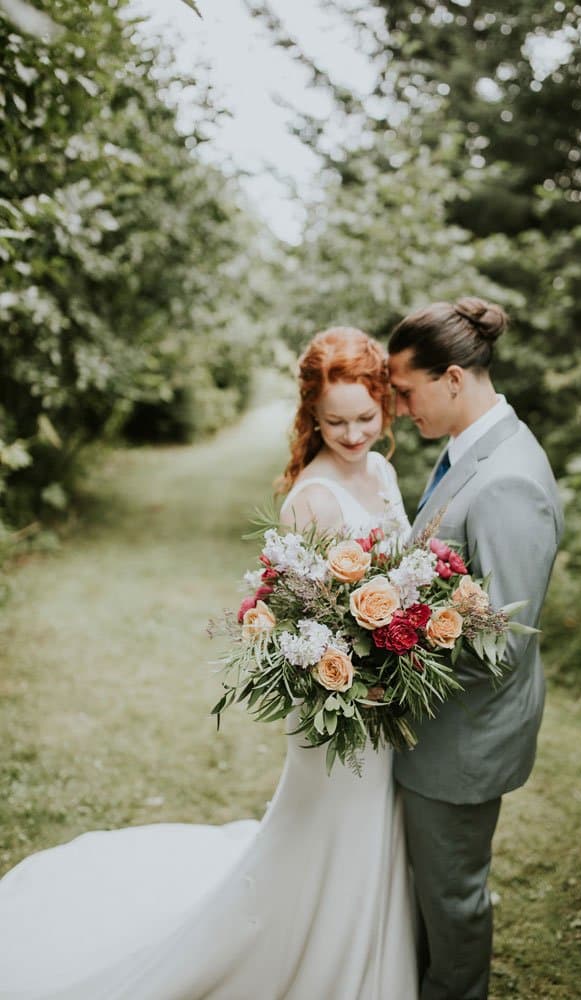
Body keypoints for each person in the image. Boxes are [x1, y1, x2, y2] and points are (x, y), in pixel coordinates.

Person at [0, 327, 418, 999]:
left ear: (384, 406)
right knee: (330, 831)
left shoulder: (384, 471)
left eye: (365, 418)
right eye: (333, 421)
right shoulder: (311, 498)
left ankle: (370, 959)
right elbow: (299, 627)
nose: (351, 434)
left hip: (387, 696)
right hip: (339, 701)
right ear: (311, 414)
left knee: (375, 827)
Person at [388, 298, 563, 1000]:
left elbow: (501, 646)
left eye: (406, 391)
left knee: (453, 900)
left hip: (461, 743)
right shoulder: (471, 452)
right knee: (429, 889)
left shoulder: (508, 481)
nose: (400, 409)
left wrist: (384, 657)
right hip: (435, 733)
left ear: (453, 378)